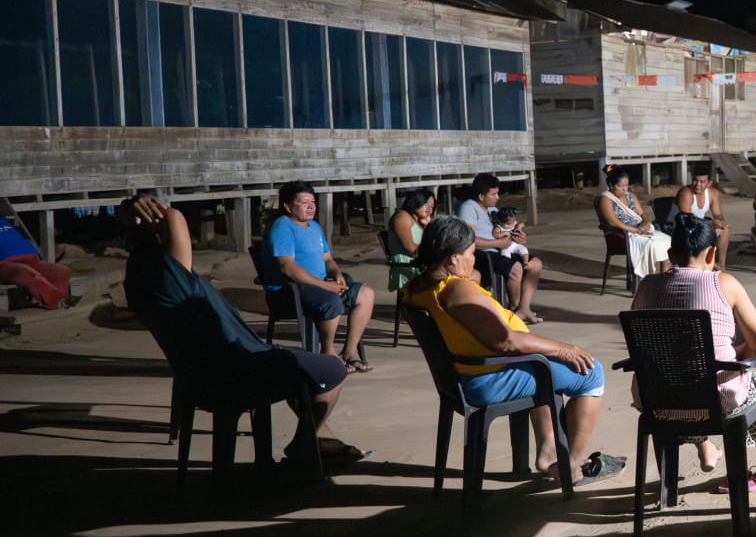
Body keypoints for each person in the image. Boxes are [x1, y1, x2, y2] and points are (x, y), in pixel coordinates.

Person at [119, 193, 359, 471]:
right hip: (235, 370)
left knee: (298, 366)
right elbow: (174, 217)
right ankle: (306, 441)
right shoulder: (172, 277)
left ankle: (319, 438)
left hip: (201, 374)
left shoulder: (140, 278)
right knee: (331, 367)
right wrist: (143, 204)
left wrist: (129, 212)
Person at [402, 215, 621, 486]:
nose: (474, 260)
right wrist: (563, 349)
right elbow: (505, 342)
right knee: (590, 372)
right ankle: (572, 465)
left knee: (544, 361)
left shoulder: (417, 287)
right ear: (452, 258)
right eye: (471, 253)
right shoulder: (455, 290)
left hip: (466, 374)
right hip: (488, 378)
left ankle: (549, 448)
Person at [632, 213, 756, 493]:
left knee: (682, 375)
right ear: (711, 253)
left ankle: (705, 448)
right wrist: (734, 356)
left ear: (671, 255)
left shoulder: (647, 286)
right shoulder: (724, 284)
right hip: (715, 401)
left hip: (656, 401)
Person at [267, 181, 377, 372]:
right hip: (292, 289)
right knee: (331, 300)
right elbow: (287, 268)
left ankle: (350, 351)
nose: (311, 207)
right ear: (288, 206)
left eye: (313, 202)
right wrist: (325, 286)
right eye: (304, 202)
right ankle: (327, 352)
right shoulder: (282, 227)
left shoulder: (315, 227)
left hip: (320, 283)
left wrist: (336, 273)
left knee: (366, 294)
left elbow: (327, 259)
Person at [0, 192, 72, 309]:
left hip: (32, 262)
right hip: (0, 267)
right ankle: (57, 301)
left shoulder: (2, 220)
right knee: (27, 273)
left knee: (62, 271)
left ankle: (52, 299)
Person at [459, 172, 543, 324]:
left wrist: (519, 238)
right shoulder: (468, 207)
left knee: (535, 264)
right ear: (481, 196)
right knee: (516, 268)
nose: (497, 197)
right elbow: (468, 239)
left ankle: (524, 308)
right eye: (494, 194)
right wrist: (497, 244)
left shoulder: (492, 210)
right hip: (482, 253)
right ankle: (513, 309)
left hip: (502, 250)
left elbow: (505, 230)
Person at [597, 168, 673, 282]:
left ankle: (664, 279)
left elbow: (642, 213)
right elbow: (612, 222)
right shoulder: (605, 198)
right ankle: (648, 280)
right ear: (611, 185)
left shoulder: (630, 195)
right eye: (621, 186)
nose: (625, 189)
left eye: (626, 185)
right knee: (650, 244)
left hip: (639, 230)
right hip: (622, 234)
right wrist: (635, 230)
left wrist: (645, 222)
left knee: (667, 240)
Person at [677, 171, 730, 269]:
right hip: (687, 228)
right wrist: (709, 223)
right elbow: (687, 220)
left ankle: (720, 265)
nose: (698, 185)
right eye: (695, 181)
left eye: (702, 182)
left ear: (709, 183)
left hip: (702, 226)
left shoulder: (712, 193)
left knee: (724, 229)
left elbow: (718, 214)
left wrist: (720, 221)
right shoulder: (686, 193)